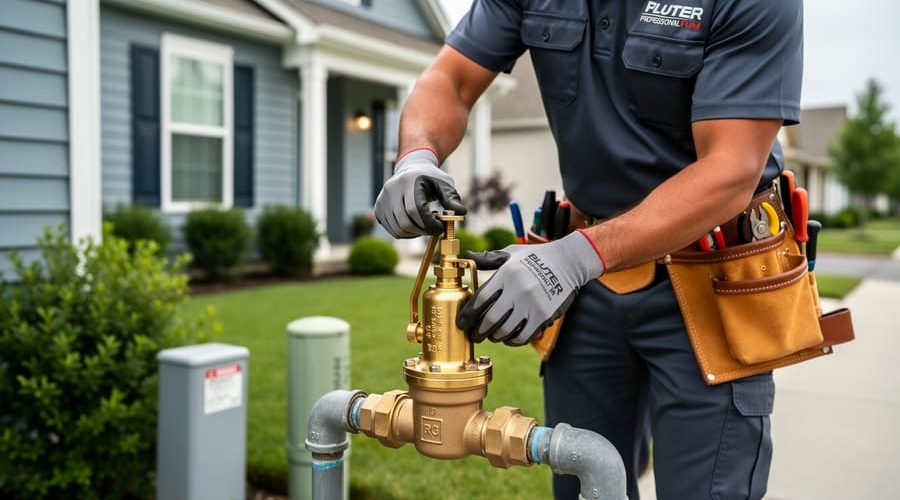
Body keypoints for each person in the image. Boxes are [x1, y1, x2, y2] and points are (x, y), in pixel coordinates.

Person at [374, 1, 802, 498]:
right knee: (582, 487)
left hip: (713, 280)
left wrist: (572, 258)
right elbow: (451, 78)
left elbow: (731, 170)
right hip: (587, 286)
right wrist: (416, 154)